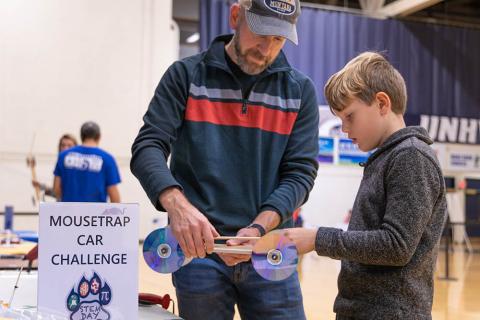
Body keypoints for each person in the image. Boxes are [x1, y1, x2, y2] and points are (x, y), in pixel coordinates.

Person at [130, 0, 319, 318]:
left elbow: (300, 173)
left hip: (268, 248)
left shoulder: (300, 91)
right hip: (197, 252)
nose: (266, 48)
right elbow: (148, 146)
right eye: (261, 33)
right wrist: (178, 206)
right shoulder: (185, 76)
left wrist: (259, 228)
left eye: (278, 39)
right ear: (236, 16)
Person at [283, 52, 447, 320]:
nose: (345, 129)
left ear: (382, 103)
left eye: (350, 116)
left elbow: (396, 245)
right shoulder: (388, 157)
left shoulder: (411, 156)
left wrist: (317, 238)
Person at [53, 121, 121, 203]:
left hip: (69, 213)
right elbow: (114, 196)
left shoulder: (64, 156)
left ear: (81, 136)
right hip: (96, 214)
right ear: (99, 137)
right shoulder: (107, 159)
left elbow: (56, 190)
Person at [32, 134, 78, 198]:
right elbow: (57, 192)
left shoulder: (78, 168)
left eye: (69, 146)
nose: (65, 148)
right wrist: (41, 186)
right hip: (62, 205)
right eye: (63, 145)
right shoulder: (60, 164)